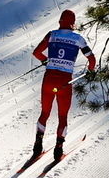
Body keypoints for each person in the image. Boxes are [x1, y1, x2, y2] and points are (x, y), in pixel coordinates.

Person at [29, 10, 97, 163]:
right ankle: (58, 149)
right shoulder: (78, 39)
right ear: (73, 23)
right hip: (64, 82)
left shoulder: (51, 34)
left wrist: (45, 60)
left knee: (45, 112)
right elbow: (92, 59)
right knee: (62, 116)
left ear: (60, 21)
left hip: (49, 79)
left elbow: (36, 52)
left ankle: (37, 146)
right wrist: (91, 71)